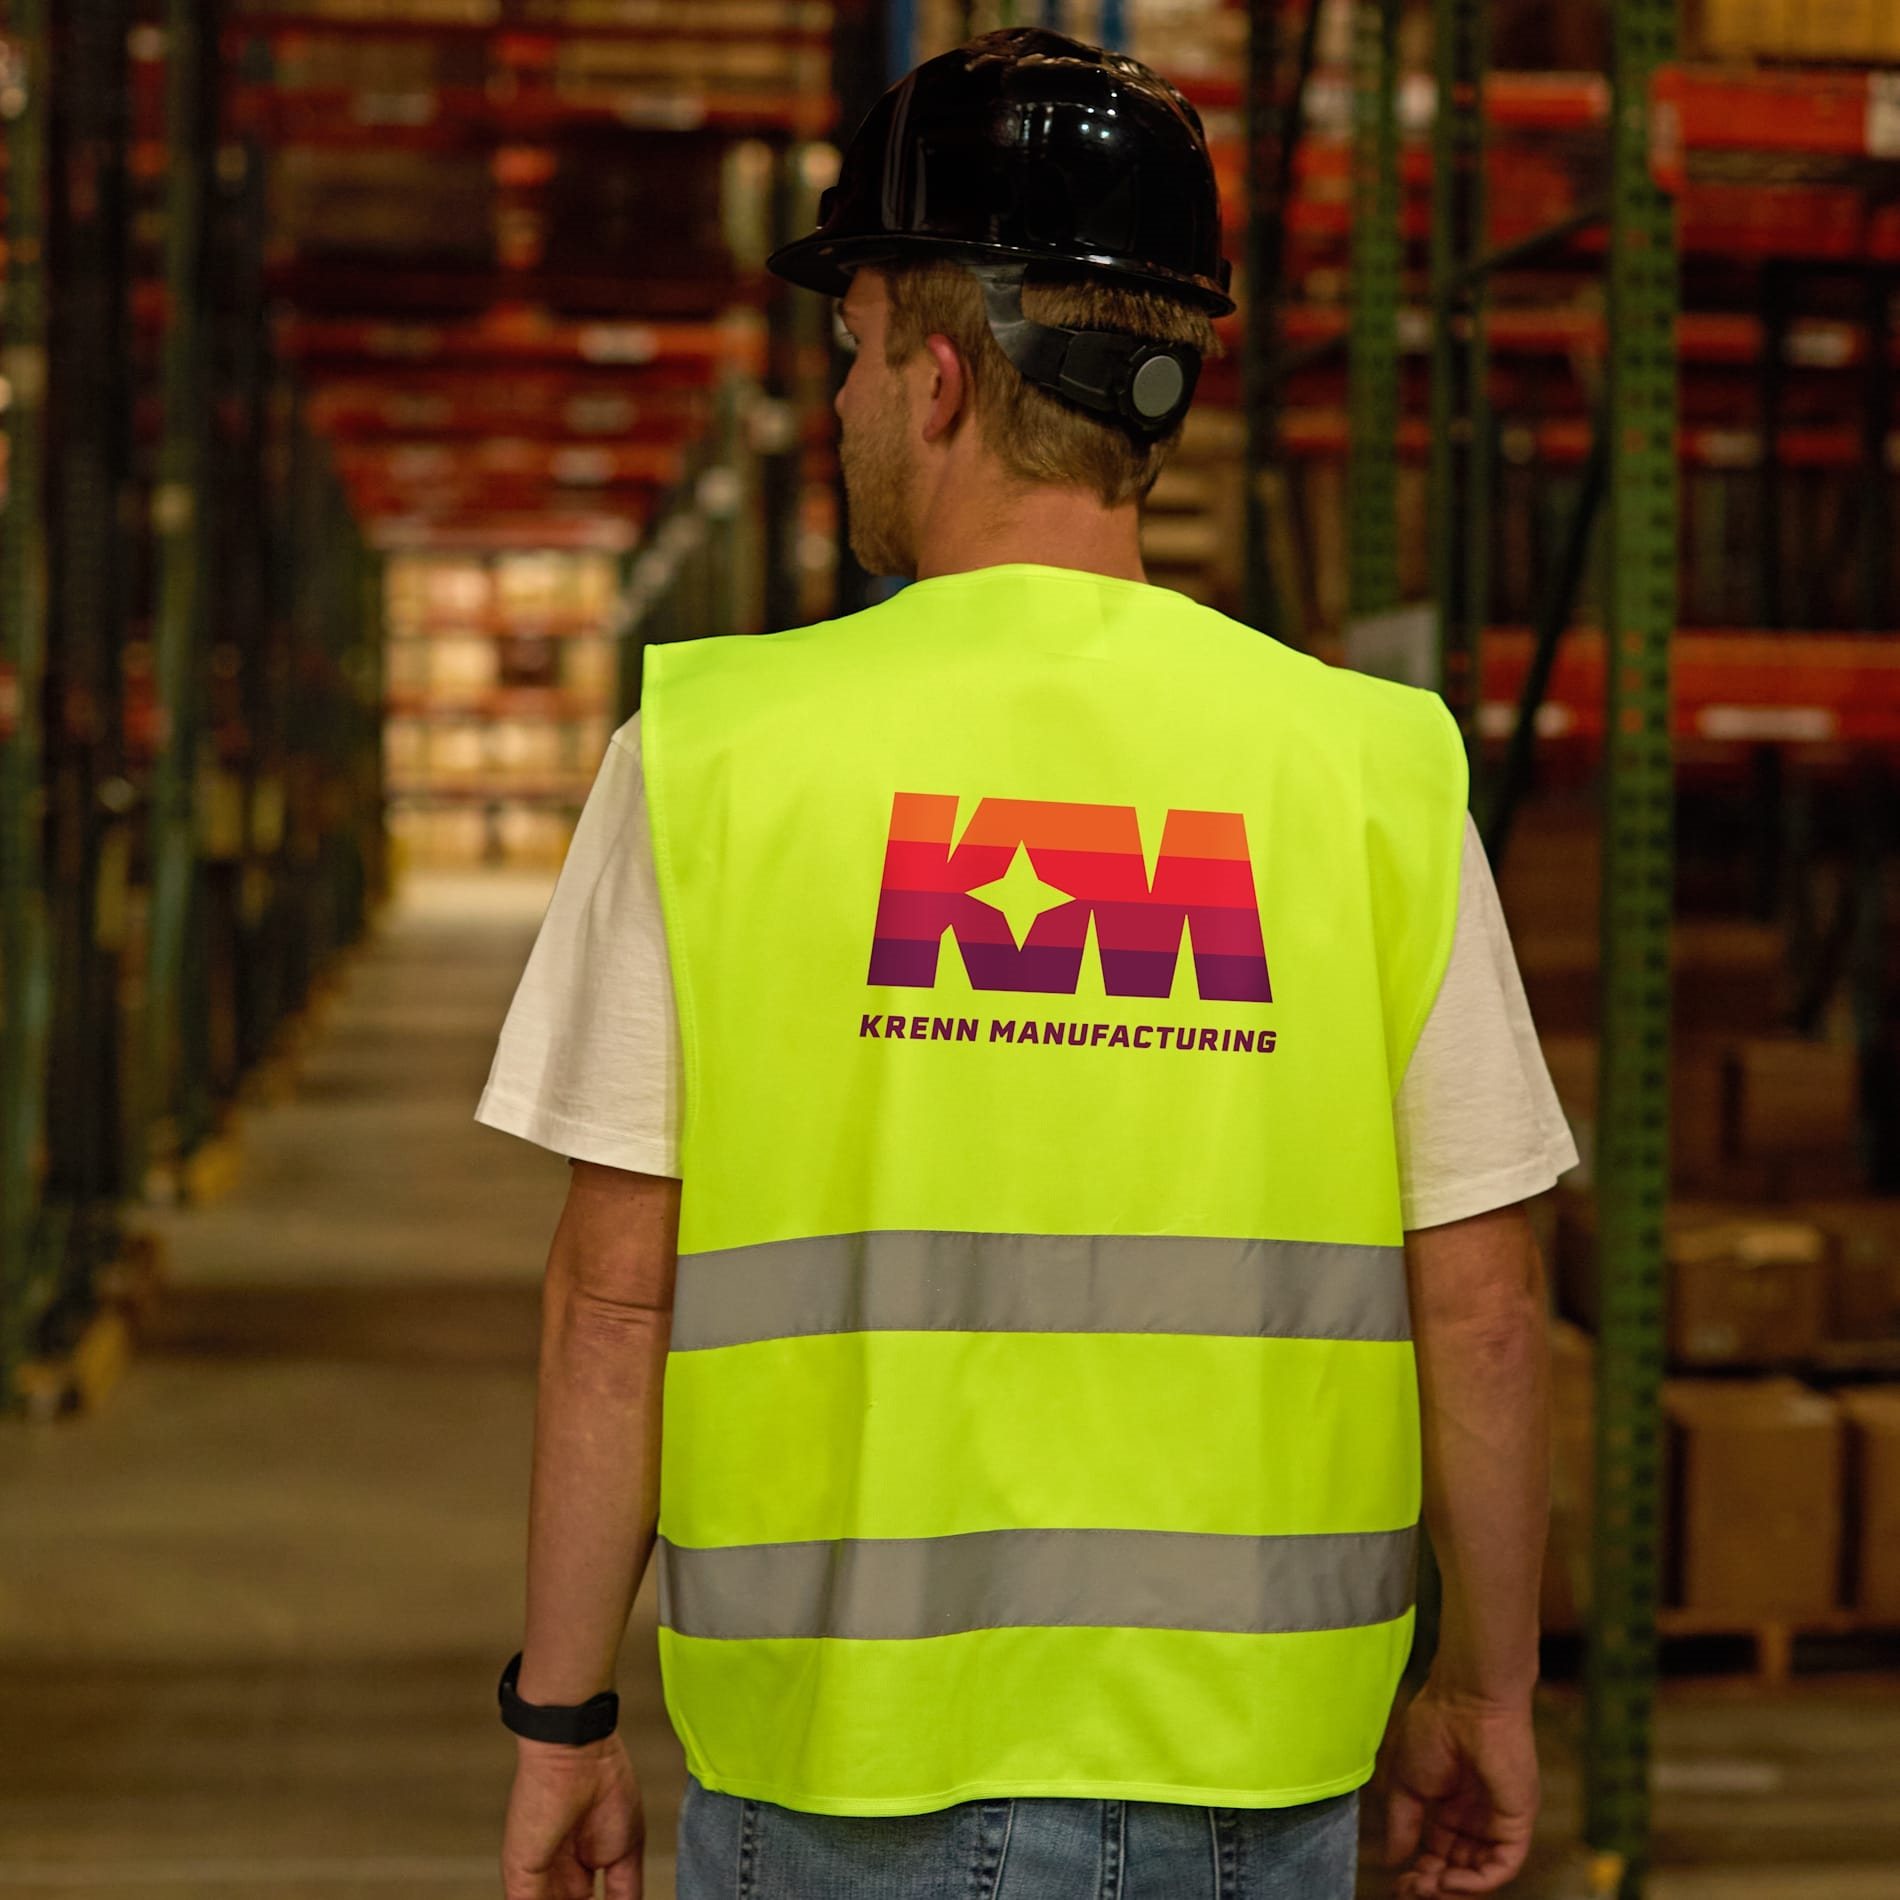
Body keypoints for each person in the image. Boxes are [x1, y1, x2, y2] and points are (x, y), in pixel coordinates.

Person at [477, 27, 1573, 1900]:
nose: (840, 400)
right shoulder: (1369, 769)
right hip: (1254, 1780)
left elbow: (613, 1304)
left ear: (938, 378)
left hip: (842, 1778)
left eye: (849, 352)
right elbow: (1479, 1304)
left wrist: (563, 1719)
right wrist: (1487, 1686)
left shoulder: (718, 755)